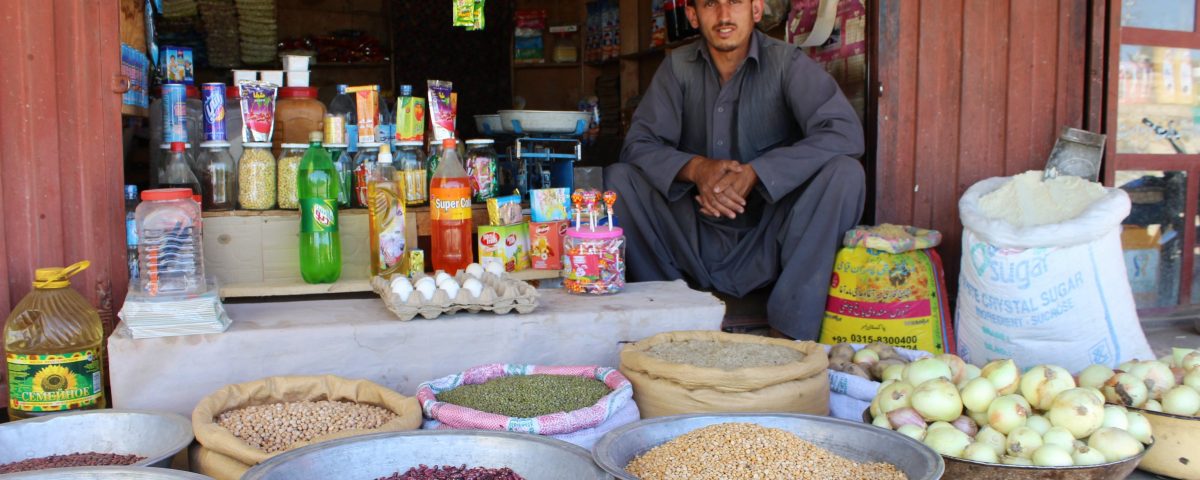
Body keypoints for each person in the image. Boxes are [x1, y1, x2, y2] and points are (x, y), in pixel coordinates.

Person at [606, 0, 865, 340]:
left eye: (736, 2)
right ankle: (670, 319)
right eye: (711, 4)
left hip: (769, 236)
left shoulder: (787, 63)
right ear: (693, 16)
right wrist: (696, 169)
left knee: (845, 174)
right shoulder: (677, 68)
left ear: (756, 10)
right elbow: (638, 145)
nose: (724, 15)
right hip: (690, 235)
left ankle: (789, 334)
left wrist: (758, 172)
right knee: (619, 179)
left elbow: (844, 134)